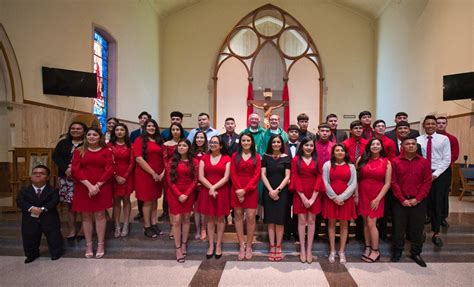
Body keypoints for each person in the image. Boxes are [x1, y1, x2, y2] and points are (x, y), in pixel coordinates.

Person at [71, 127, 114, 258]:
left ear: (99, 137)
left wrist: (97, 185)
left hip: (102, 186)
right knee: (86, 216)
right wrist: (89, 186)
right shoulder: (79, 151)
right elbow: (75, 169)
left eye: (94, 135)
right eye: (89, 134)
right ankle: (89, 245)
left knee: (100, 215)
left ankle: (101, 244)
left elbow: (110, 169)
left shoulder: (107, 151)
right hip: (84, 186)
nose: (91, 137)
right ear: (86, 137)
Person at [391, 136, 432, 267]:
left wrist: (418, 198)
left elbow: (427, 182)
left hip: (418, 201)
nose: (410, 146)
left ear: (416, 146)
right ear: (402, 146)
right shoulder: (395, 162)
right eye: (407, 144)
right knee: (398, 228)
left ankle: (416, 253)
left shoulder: (424, 162)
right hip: (400, 201)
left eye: (413, 144)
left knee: (417, 228)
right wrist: (402, 199)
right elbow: (393, 181)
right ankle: (397, 251)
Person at [16, 165, 63, 264]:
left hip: (49, 217)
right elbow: (20, 201)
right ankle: (31, 255)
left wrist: (42, 209)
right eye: (35, 173)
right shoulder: (24, 190)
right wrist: (31, 208)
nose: (38, 175)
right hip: (30, 218)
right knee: (29, 236)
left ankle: (55, 253)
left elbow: (54, 201)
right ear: (31, 176)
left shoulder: (53, 190)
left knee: (53, 236)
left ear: (47, 177)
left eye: (41, 173)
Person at [417, 115, 451, 247]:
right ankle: (420, 232)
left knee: (437, 204)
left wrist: (435, 174)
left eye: (433, 124)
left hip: (439, 174)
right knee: (422, 204)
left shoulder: (444, 139)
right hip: (422, 175)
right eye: (428, 124)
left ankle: (436, 232)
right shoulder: (418, 140)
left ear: (436, 125)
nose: (430, 126)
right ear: (424, 126)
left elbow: (446, 159)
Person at [357, 138, 392, 263]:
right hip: (363, 193)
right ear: (369, 147)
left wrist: (378, 199)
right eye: (373, 144)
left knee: (372, 223)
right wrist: (356, 195)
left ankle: (375, 250)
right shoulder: (361, 160)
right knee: (365, 222)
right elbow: (357, 179)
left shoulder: (386, 162)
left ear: (381, 147)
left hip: (377, 195)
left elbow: (387, 183)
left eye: (378, 144)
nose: (375, 146)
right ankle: (367, 247)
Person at [322, 144, 357, 264]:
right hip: (331, 198)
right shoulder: (327, 165)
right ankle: (332, 250)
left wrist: (342, 197)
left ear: (345, 152)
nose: (339, 152)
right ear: (333, 152)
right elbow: (325, 182)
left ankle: (342, 251)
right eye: (337, 150)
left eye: (342, 150)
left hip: (346, 199)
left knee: (344, 225)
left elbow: (353, 184)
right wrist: (334, 197)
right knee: (331, 224)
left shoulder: (351, 166)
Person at [197, 135, 231, 259]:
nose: (213, 144)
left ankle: (218, 245)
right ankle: (211, 245)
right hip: (207, 191)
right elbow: (200, 176)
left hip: (221, 191)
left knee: (221, 219)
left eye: (216, 143)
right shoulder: (204, 158)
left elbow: (226, 178)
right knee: (210, 219)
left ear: (221, 145)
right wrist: (210, 188)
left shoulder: (227, 158)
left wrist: (214, 188)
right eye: (211, 142)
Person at [52, 121, 87, 242]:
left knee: (83, 205)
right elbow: (56, 157)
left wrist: (75, 170)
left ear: (84, 130)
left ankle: (83, 229)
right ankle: (72, 229)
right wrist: (66, 168)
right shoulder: (63, 143)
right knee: (70, 205)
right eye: (73, 128)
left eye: (79, 128)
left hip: (83, 178)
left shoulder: (87, 143)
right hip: (66, 177)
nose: (76, 130)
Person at [231, 133, 262, 260]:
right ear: (240, 142)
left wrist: (245, 190)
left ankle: (249, 245)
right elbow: (233, 173)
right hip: (236, 189)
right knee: (238, 216)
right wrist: (239, 190)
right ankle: (241, 245)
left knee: (250, 217)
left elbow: (257, 175)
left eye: (248, 140)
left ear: (252, 142)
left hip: (251, 190)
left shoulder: (257, 157)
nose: (245, 142)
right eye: (243, 140)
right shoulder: (234, 156)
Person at [167, 139, 199, 263]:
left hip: (188, 193)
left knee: (186, 218)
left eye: (184, 145)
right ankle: (178, 247)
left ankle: (184, 242)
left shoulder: (194, 162)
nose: (181, 147)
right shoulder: (172, 161)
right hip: (174, 192)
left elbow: (195, 180)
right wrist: (179, 194)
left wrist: (186, 194)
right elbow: (170, 180)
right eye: (179, 145)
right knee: (176, 220)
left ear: (188, 147)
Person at [133, 119, 165, 238]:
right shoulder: (139, 140)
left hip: (158, 175)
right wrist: (153, 173)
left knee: (155, 199)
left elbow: (164, 157)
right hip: (145, 174)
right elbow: (139, 159)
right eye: (149, 126)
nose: (151, 128)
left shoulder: (159, 140)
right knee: (147, 201)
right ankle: (147, 226)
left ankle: (154, 223)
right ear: (145, 127)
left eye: (153, 126)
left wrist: (161, 173)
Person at [290, 137, 320, 264]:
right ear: (302, 146)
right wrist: (302, 197)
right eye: (306, 145)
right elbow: (294, 177)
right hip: (300, 192)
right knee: (302, 221)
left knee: (312, 221)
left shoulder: (317, 160)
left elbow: (319, 178)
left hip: (314, 192)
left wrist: (313, 198)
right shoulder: (296, 159)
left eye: (311, 145)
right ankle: (302, 248)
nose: (309, 147)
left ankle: (309, 249)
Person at [108, 123, 134, 238]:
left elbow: (132, 162)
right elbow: (107, 162)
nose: (119, 132)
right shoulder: (109, 145)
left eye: (122, 130)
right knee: (116, 201)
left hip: (126, 175)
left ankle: (126, 224)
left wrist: (125, 176)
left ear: (125, 132)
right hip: (113, 175)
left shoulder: (130, 145)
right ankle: (117, 225)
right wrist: (116, 176)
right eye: (117, 130)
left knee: (126, 200)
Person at [342, 120, 367, 241]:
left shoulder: (367, 144)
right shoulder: (345, 144)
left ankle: (360, 233)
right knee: (347, 204)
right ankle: (344, 235)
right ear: (351, 130)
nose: (358, 130)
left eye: (360, 128)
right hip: (347, 175)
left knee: (360, 204)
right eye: (355, 128)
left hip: (363, 176)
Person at [436, 116, 460, 226]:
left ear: (446, 124)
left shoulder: (452, 139)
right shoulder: (430, 137)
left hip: (445, 170)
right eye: (438, 123)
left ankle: (442, 217)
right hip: (430, 169)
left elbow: (454, 155)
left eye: (443, 123)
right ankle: (430, 215)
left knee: (443, 194)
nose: (441, 125)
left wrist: (442, 165)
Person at [162, 123, 186, 226]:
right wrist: (170, 174)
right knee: (171, 200)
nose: (175, 131)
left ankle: (182, 223)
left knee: (184, 198)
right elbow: (165, 161)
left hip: (184, 175)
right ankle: (173, 225)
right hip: (170, 175)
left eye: (177, 129)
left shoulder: (184, 143)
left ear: (181, 131)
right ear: (170, 131)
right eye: (173, 129)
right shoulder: (166, 144)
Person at [130, 111, 152, 221]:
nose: (143, 120)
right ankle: (140, 211)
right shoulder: (134, 134)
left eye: (145, 118)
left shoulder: (154, 137)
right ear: (139, 120)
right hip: (139, 164)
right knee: (140, 191)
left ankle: (149, 217)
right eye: (141, 118)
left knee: (150, 194)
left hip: (151, 165)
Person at [191, 131, 208, 240]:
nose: (199, 140)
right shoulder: (190, 152)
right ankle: (197, 229)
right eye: (197, 138)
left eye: (202, 138)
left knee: (204, 208)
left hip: (205, 183)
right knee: (196, 208)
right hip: (193, 183)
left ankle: (203, 229)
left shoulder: (209, 152)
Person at [284, 125, 299, 241]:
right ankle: (287, 231)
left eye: (296, 132)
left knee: (297, 208)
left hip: (299, 181)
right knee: (286, 207)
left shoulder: (303, 146)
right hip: (285, 181)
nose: (294, 134)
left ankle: (296, 231)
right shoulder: (282, 146)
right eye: (292, 132)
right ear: (288, 133)